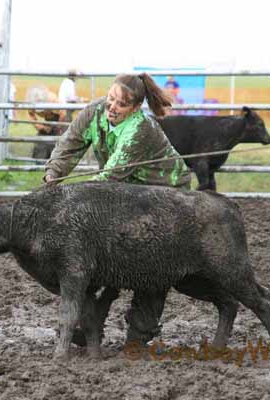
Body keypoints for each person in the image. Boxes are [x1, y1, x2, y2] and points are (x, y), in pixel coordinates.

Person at [44, 73, 192, 345]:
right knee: (105, 251)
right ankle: (89, 322)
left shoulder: (140, 130)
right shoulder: (95, 113)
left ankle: (141, 328)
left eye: (121, 104)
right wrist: (53, 176)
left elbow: (110, 178)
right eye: (110, 99)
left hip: (167, 194)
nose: (112, 106)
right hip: (127, 193)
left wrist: (69, 199)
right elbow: (70, 144)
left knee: (153, 258)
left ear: (135, 108)